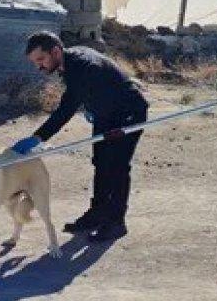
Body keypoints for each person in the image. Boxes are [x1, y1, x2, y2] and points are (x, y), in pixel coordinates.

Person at [12, 31, 149, 243]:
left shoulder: (84, 68)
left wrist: (38, 137)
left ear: (55, 51)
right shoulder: (70, 63)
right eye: (35, 62)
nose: (39, 66)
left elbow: (66, 109)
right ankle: (97, 214)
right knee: (101, 164)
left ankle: (116, 222)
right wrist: (94, 108)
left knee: (118, 167)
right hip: (107, 115)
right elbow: (79, 99)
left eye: (41, 59)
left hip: (129, 114)